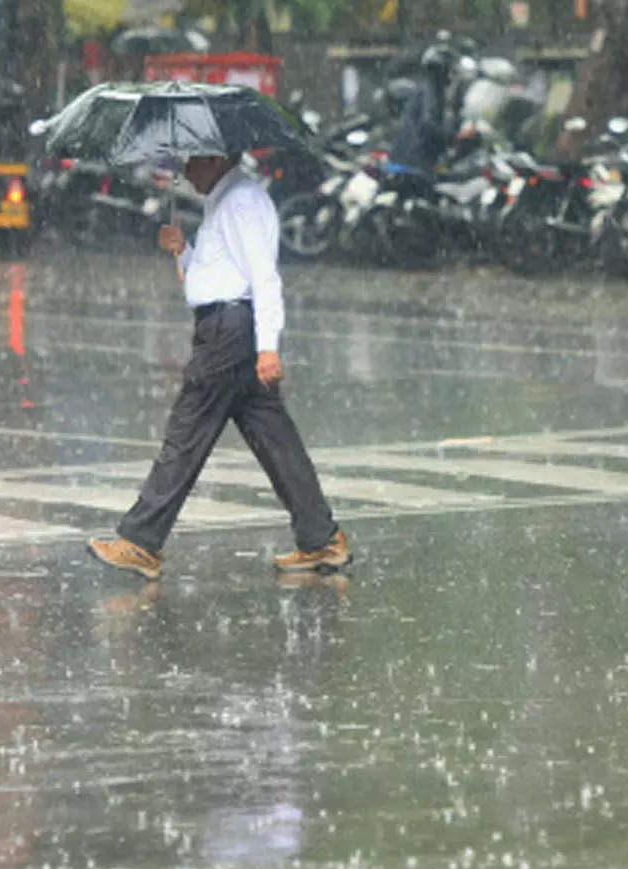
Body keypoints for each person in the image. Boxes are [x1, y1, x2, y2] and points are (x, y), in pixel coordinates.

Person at [87, 153, 350, 581]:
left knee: (186, 433)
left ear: (217, 158)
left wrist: (268, 347)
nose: (184, 172)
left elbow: (263, 277)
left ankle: (140, 541)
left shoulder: (242, 200)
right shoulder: (222, 201)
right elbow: (214, 279)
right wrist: (183, 251)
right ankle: (321, 538)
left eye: (191, 162)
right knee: (274, 438)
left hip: (229, 334)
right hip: (227, 326)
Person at [388, 44, 454, 173]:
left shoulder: (426, 89)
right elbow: (428, 124)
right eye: (447, 69)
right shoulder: (430, 92)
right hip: (415, 162)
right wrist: (449, 138)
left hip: (407, 159)